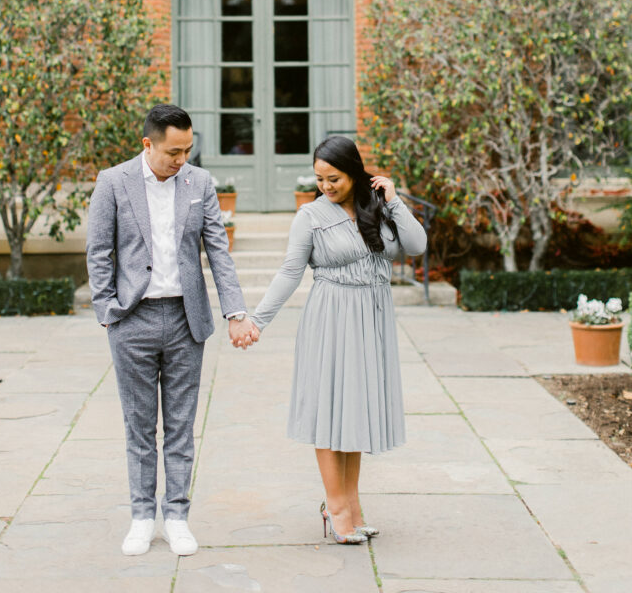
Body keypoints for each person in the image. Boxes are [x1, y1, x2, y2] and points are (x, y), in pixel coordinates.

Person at [86, 104, 259, 558]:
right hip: (132, 319)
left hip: (187, 320)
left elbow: (218, 251)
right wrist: (107, 311)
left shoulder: (199, 182)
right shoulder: (113, 182)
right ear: (148, 144)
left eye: (188, 151)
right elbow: (98, 251)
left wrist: (235, 311)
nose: (182, 160)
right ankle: (142, 517)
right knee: (140, 427)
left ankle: (177, 517)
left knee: (181, 426)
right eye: (173, 152)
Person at [250, 135, 426, 544]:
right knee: (332, 413)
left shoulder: (377, 206)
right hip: (332, 318)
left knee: (355, 413)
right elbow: (290, 272)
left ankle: (352, 506)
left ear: (355, 173)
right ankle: (336, 507)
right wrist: (258, 320)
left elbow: (417, 246)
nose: (326, 186)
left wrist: (394, 200)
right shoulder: (310, 216)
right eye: (319, 179)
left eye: (334, 179)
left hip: (373, 319)